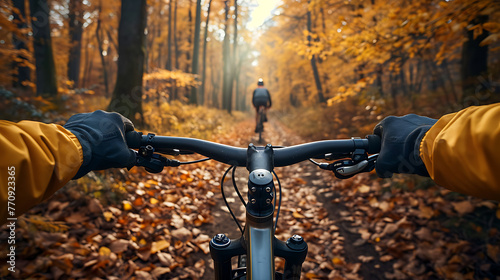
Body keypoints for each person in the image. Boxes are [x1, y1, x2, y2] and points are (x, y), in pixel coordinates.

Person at [1, 103, 499, 224]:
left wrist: (77, 143)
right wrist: (426, 142)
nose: (261, 97)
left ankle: (259, 124)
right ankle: (260, 124)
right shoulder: (264, 88)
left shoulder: (257, 87)